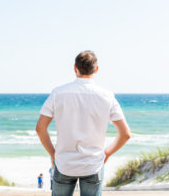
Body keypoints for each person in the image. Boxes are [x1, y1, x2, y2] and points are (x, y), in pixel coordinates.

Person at [36, 50, 131, 196]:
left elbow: (40, 128)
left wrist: (53, 154)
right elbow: (125, 134)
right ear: (96, 69)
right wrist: (107, 153)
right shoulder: (106, 96)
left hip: (64, 163)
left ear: (75, 68)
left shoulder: (58, 93)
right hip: (93, 164)